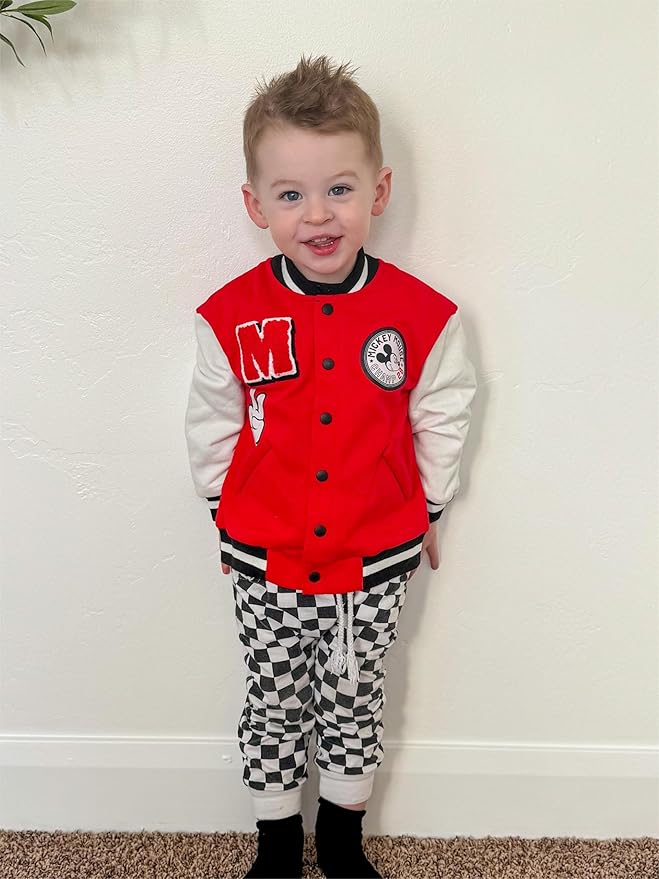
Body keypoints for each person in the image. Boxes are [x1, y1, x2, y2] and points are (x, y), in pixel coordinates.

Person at [184, 54, 478, 879]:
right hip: (264, 558)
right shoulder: (229, 315)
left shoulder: (422, 317)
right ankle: (277, 843)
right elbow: (211, 424)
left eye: (338, 189)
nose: (317, 214)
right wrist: (223, 514)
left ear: (378, 191)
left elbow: (442, 416)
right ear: (256, 205)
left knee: (355, 696)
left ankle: (342, 842)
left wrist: (428, 509)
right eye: (290, 194)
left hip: (373, 557)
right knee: (273, 697)